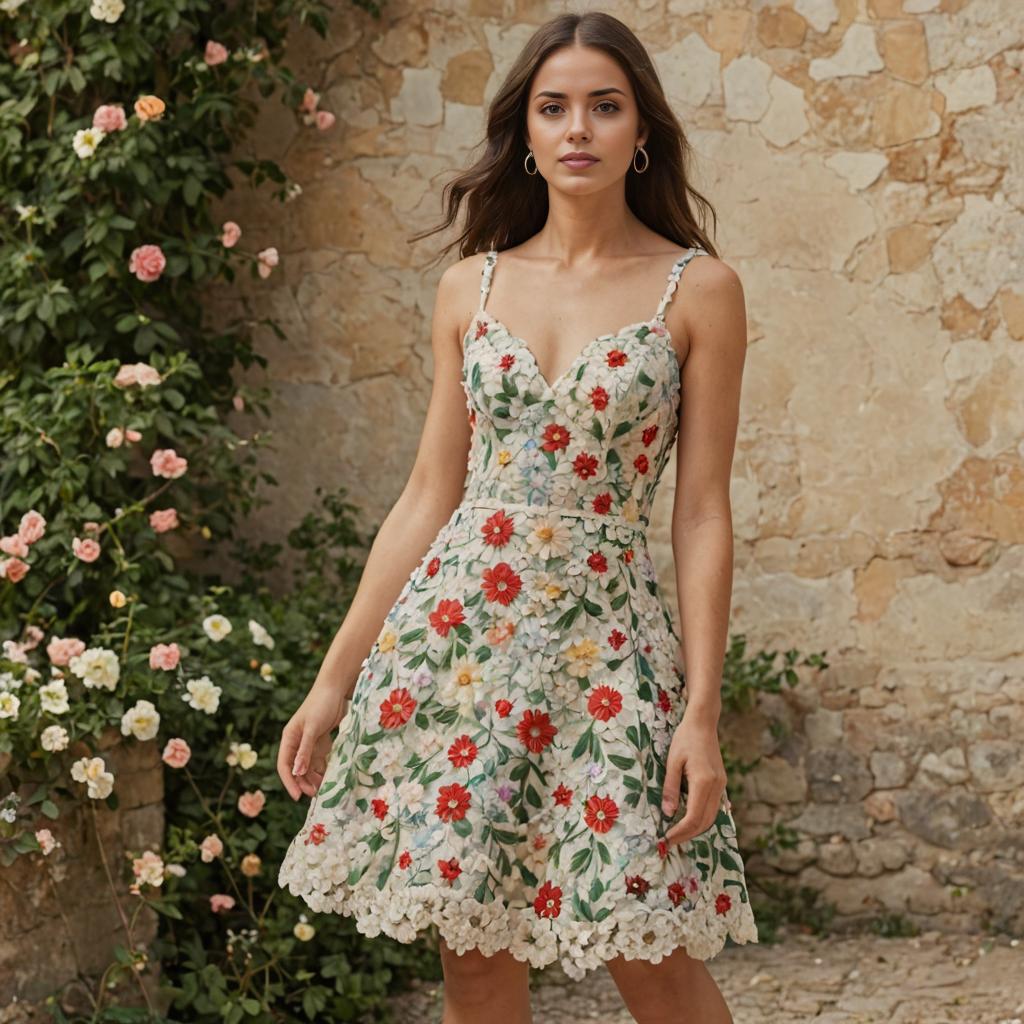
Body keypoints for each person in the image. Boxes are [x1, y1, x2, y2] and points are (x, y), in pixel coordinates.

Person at [276, 10, 756, 1023]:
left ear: (641, 134)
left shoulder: (699, 289)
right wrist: (332, 680)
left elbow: (702, 513)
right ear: (526, 136)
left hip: (608, 654)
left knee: (652, 948)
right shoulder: (471, 285)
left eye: (603, 105)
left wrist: (699, 712)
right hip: (457, 651)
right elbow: (426, 496)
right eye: (553, 107)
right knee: (475, 955)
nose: (577, 127)